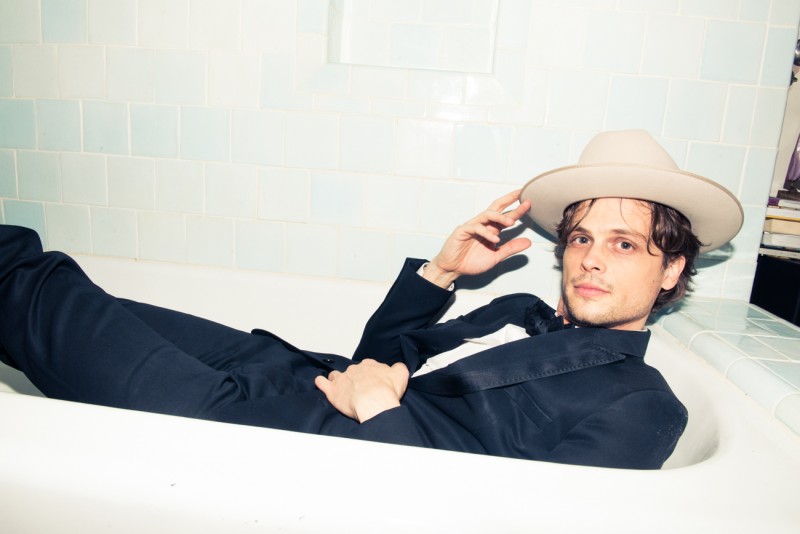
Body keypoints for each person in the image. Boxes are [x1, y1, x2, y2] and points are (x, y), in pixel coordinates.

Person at [0, 130, 743, 469]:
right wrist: (442, 276)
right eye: (581, 239)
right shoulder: (517, 315)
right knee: (60, 305)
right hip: (275, 367)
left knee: (30, 288)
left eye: (623, 244)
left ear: (673, 267)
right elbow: (377, 363)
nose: (589, 259)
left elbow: (502, 521)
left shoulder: (642, 404)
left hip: (270, 431)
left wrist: (380, 409)